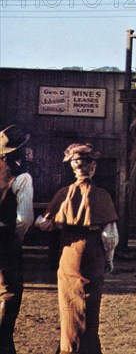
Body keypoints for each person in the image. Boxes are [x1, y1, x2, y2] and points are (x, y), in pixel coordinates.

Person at [37, 143, 119, 354]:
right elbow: (110, 236)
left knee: (69, 304)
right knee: (90, 305)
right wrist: (109, 258)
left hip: (68, 251)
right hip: (93, 250)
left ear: (73, 167)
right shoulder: (102, 196)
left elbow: (45, 224)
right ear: (93, 167)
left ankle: (69, 346)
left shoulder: (63, 194)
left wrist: (43, 219)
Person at [0, 125, 34, 354]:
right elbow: (24, 219)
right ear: (20, 150)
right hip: (4, 237)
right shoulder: (21, 177)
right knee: (10, 291)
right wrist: (16, 240)